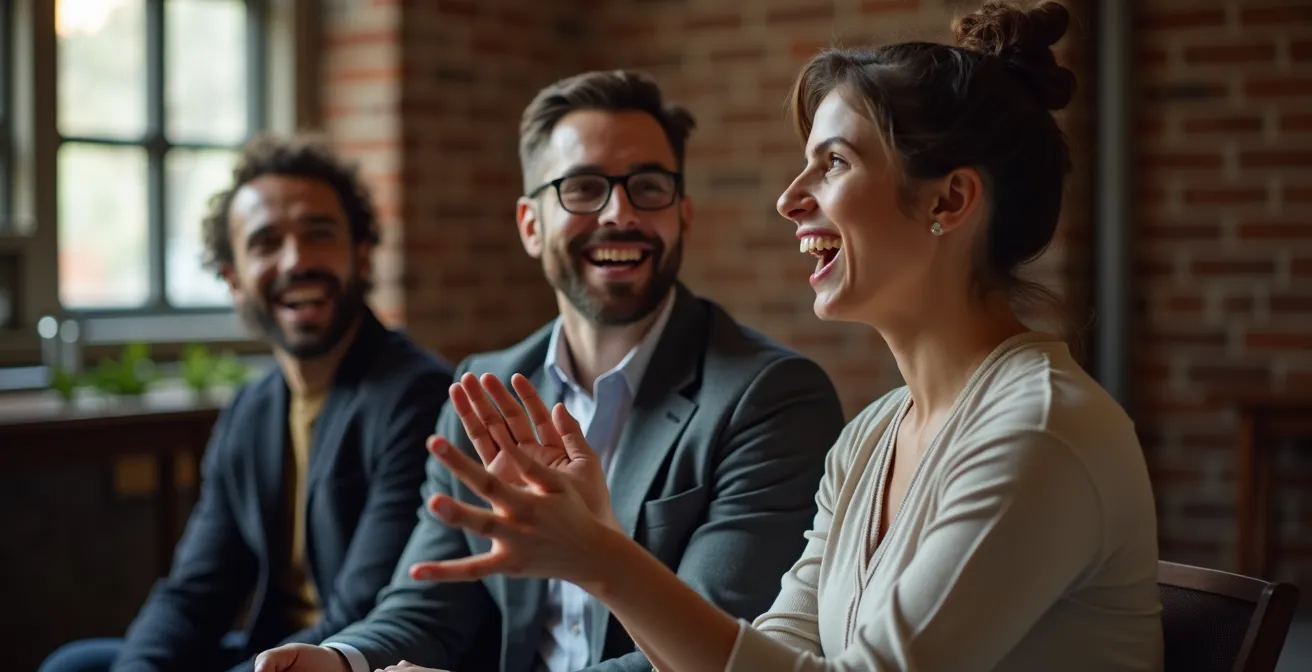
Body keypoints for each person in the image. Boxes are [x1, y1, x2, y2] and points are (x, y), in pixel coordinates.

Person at [403, 3, 1165, 671]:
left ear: (950, 200)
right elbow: (772, 655)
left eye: (832, 163)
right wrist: (604, 546)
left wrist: (604, 562)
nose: (789, 199)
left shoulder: (1039, 430)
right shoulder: (870, 437)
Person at [253, 70, 846, 672]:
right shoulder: (483, 390)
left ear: (683, 215)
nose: (620, 213)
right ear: (530, 226)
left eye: (649, 187)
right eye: (583, 188)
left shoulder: (772, 396)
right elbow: (428, 605)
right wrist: (341, 660)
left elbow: (716, 650)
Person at [39, 135, 455, 672]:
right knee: (77, 664)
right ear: (233, 278)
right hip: (268, 652)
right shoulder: (252, 411)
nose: (296, 260)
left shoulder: (419, 398)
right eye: (265, 242)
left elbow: (363, 613)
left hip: (350, 659)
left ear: (362, 253)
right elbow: (194, 596)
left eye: (319, 234)